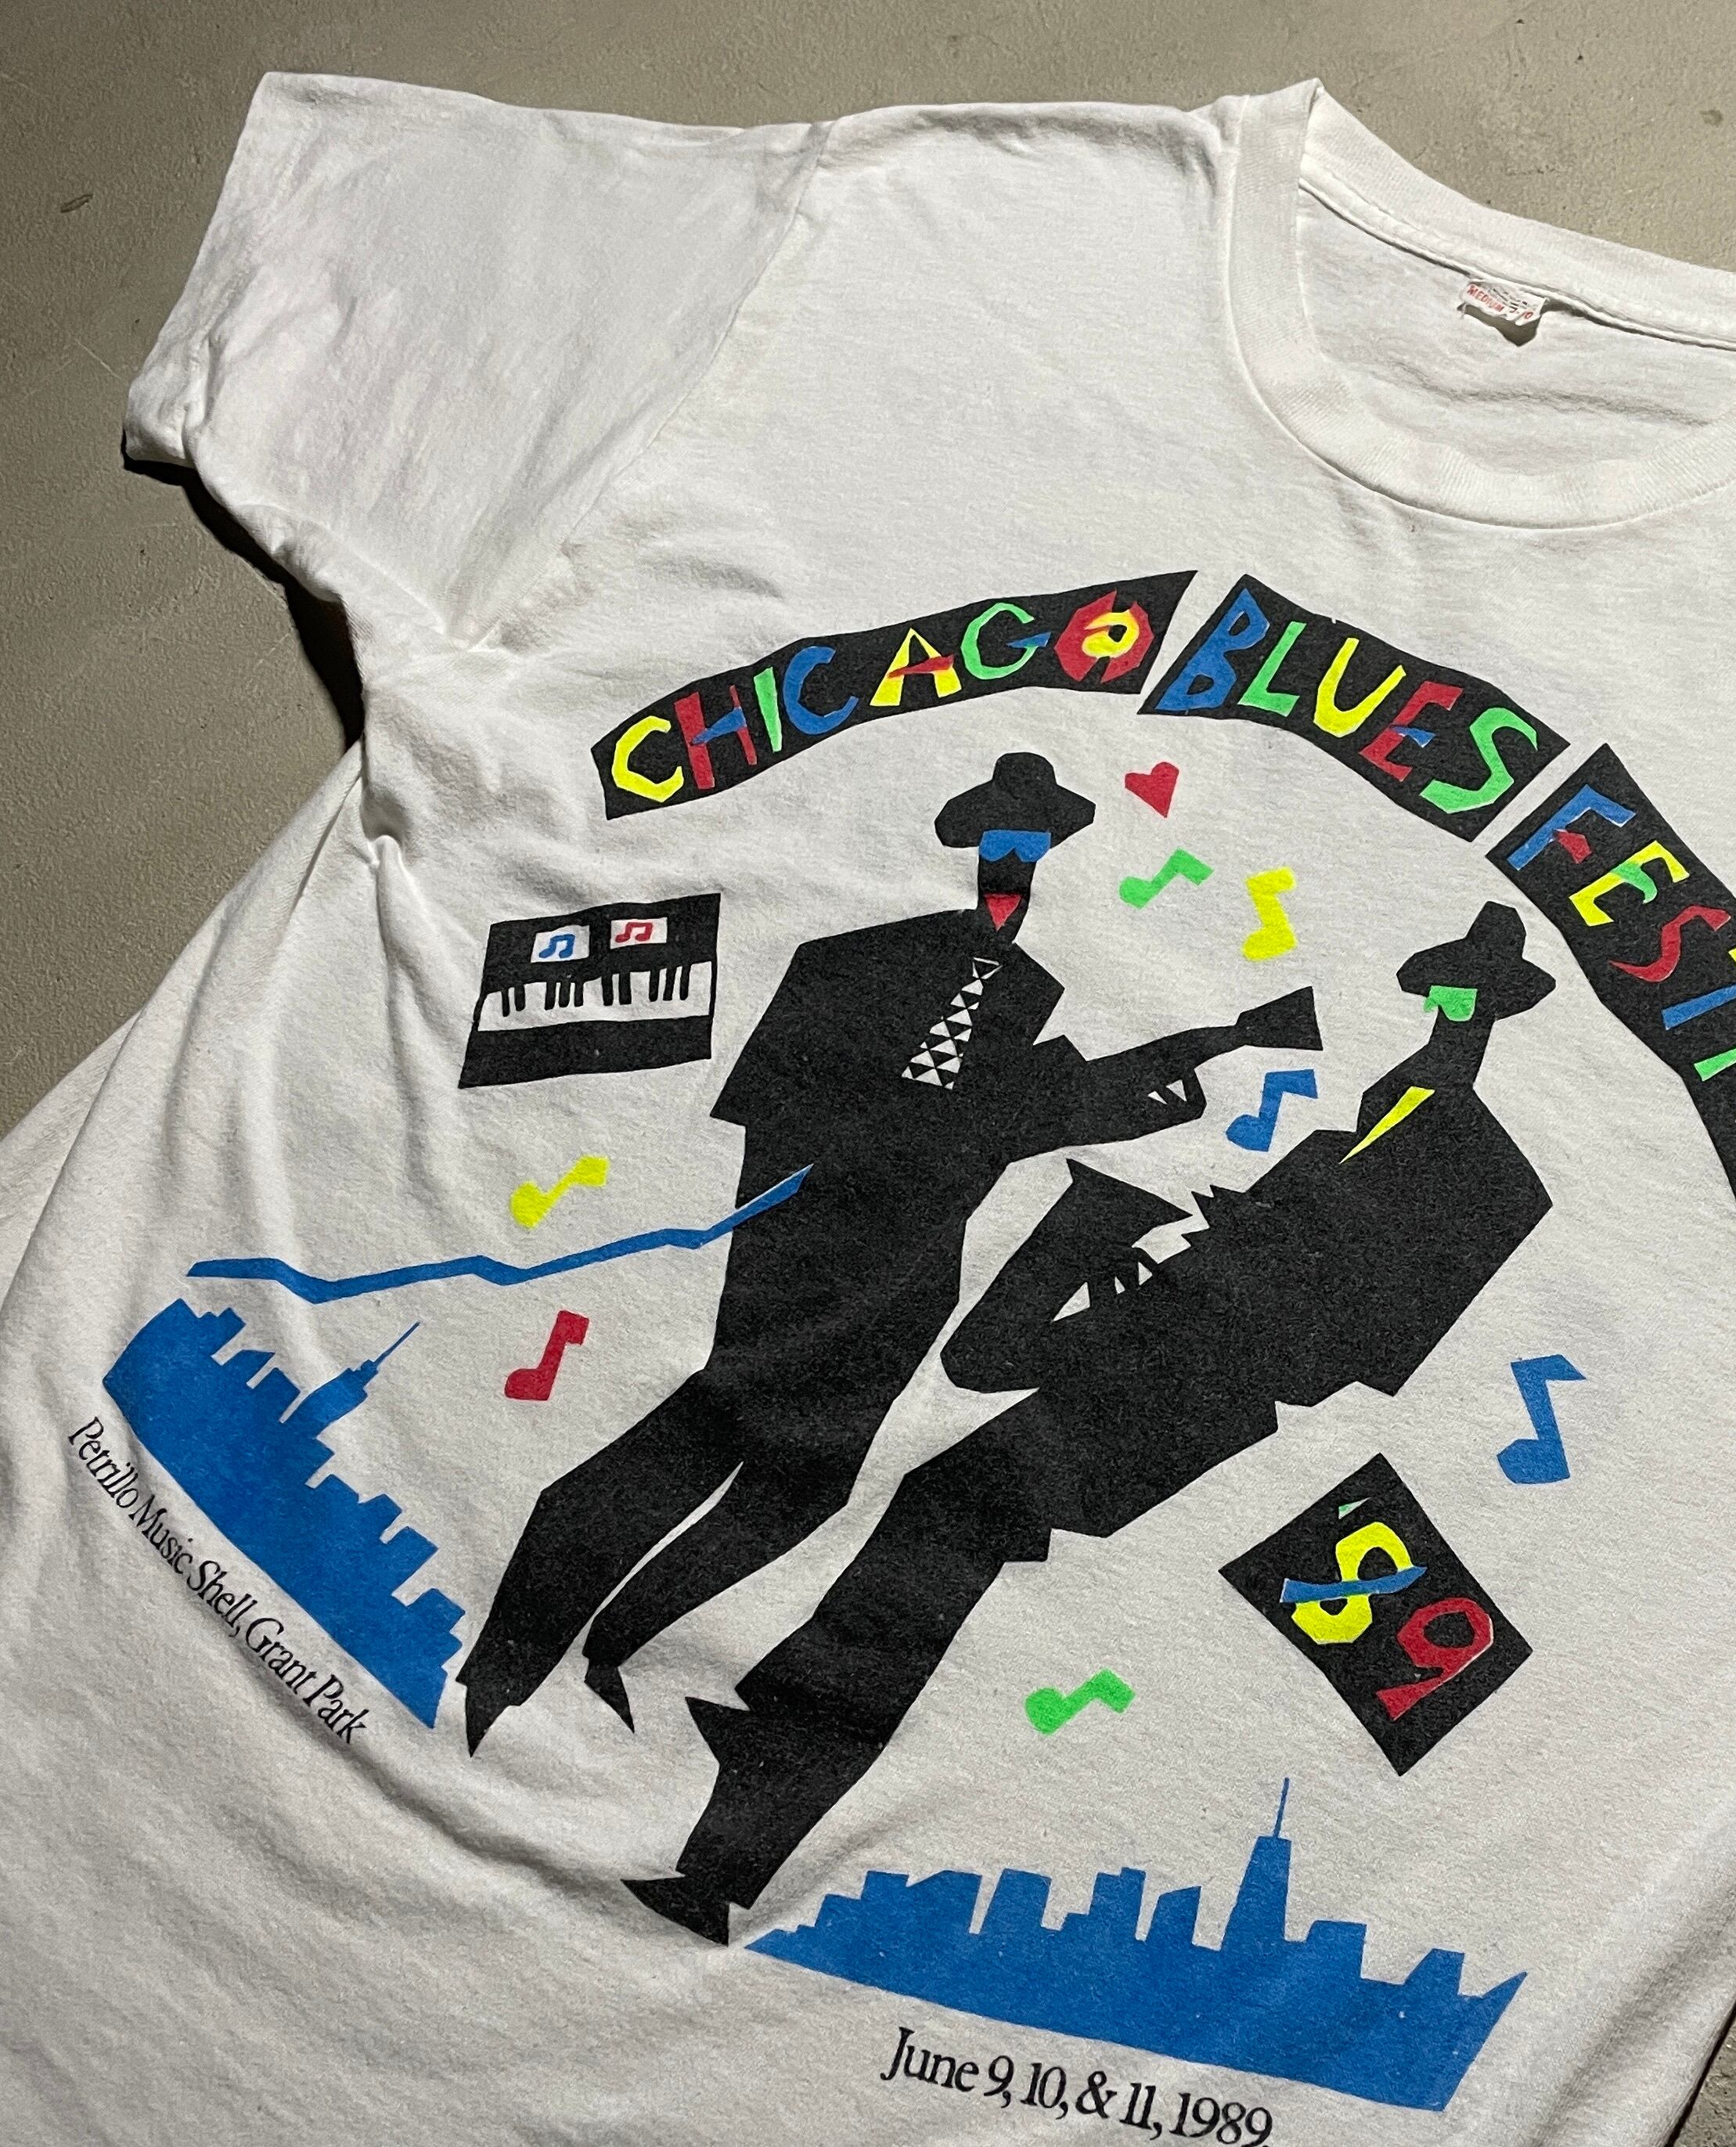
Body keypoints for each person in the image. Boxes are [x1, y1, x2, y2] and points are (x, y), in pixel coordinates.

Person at [629, 900, 1558, 1940]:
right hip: (1166, 1346)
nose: (1448, 1007)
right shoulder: (1378, 1121)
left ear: (1495, 1011)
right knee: (943, 1494)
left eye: (1470, 993)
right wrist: (1215, 1250)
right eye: (1445, 985)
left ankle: (762, 1795)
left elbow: (1374, 1339)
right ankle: (775, 1751)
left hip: (1199, 1386)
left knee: (950, 1517)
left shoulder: (1482, 1167)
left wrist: (1244, 1274)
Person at [458, 751, 1319, 1746]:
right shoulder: (866, 954)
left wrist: (1205, 1052)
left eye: (1033, 839)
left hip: (918, 1262)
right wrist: (828, 1186)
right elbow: (798, 1089)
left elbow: (1025, 1109)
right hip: (813, 1232)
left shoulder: (1025, 988)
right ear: (975, 843)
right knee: (716, 1424)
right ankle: (507, 1659)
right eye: (1003, 835)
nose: (1017, 854)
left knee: (808, 1484)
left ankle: (615, 1644)